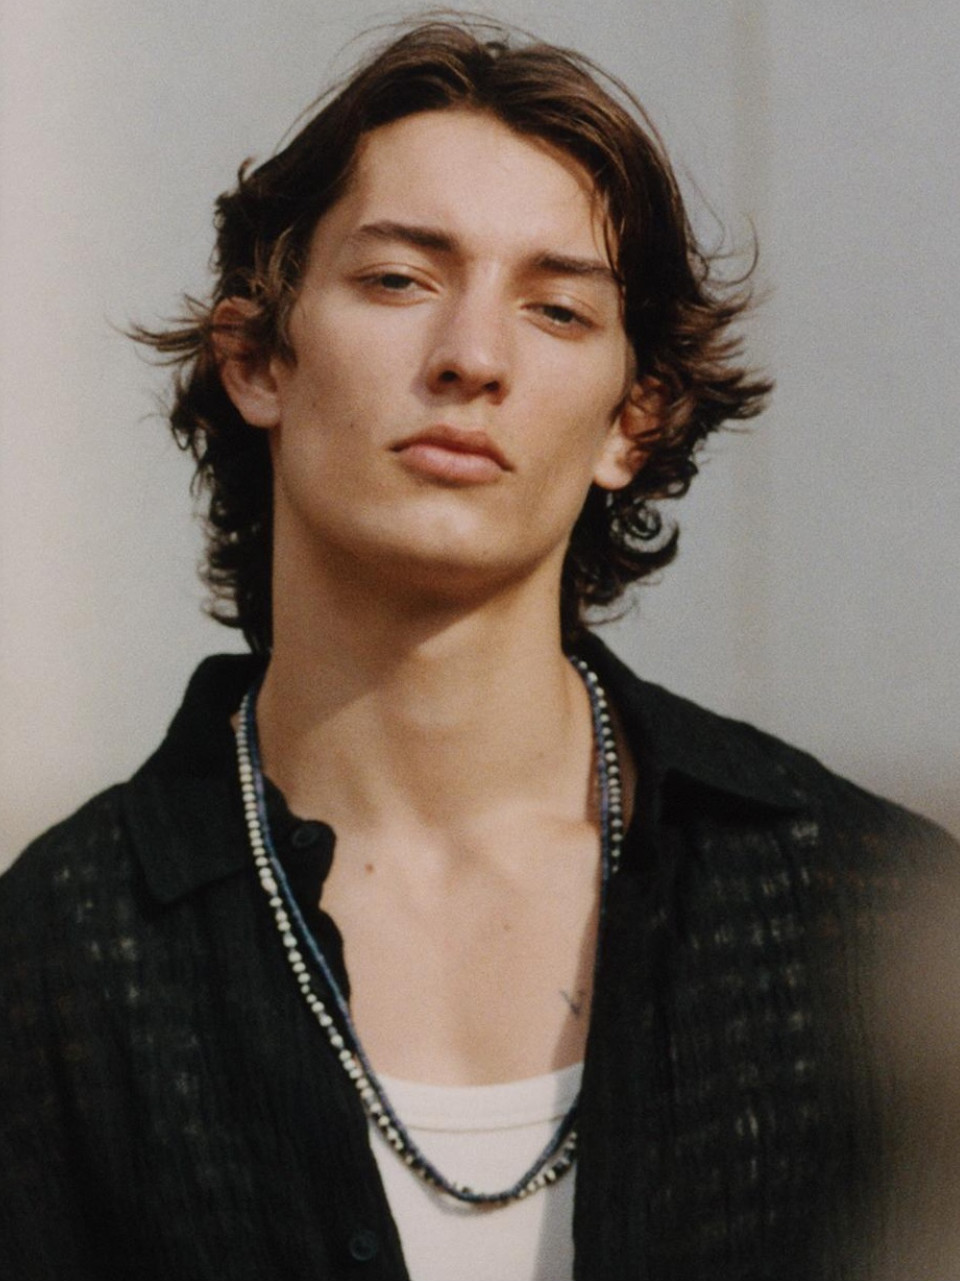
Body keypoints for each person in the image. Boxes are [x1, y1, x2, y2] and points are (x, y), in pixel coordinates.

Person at [1, 18, 955, 1281]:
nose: (472, 358)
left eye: (557, 309)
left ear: (632, 421)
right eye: (400, 280)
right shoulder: (58, 959)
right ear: (256, 358)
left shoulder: (862, 909)